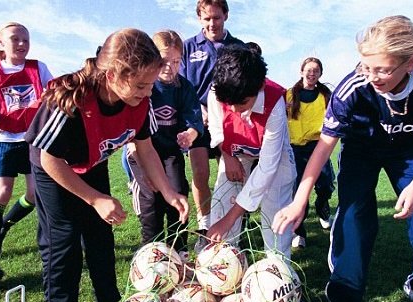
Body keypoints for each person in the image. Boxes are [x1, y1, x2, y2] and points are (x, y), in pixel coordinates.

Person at [273, 15, 413, 302]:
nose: (371, 76)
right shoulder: (354, 86)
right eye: (366, 66)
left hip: (408, 153)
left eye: (382, 69)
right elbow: (323, 147)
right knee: (353, 219)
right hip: (361, 150)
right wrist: (299, 199)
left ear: (410, 63)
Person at [24, 29, 189, 302]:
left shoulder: (140, 100)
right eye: (141, 85)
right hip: (54, 167)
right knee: (65, 240)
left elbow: (146, 150)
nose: (148, 91)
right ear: (112, 75)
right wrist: (95, 198)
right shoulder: (72, 100)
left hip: (90, 161)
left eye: (151, 84)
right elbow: (48, 157)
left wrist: (169, 192)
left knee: (100, 235)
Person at [0, 22, 54, 285]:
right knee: (1, 192)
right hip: (4, 139)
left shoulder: (38, 68)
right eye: (15, 39)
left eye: (25, 39)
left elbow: (53, 93)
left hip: (33, 138)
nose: (21, 44)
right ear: (0, 42)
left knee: (34, 193)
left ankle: (3, 226)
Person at [206, 44, 296, 260]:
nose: (235, 110)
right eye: (230, 104)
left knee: (275, 217)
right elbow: (217, 128)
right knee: (221, 205)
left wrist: (231, 217)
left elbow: (267, 167)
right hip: (234, 151)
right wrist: (228, 157)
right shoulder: (218, 91)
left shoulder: (274, 102)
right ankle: (223, 273)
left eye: (243, 103)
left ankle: (278, 273)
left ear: (259, 88)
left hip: (272, 155)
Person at [125, 30, 203, 256]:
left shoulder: (184, 87)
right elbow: (131, 131)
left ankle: (179, 248)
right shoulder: (144, 85)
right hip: (141, 152)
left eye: (176, 61)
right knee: (151, 199)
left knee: (178, 192)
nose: (170, 67)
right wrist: (139, 158)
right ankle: (151, 251)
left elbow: (194, 120)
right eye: (164, 61)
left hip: (170, 151)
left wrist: (189, 134)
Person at [179, 0, 244, 240]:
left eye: (216, 17)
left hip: (228, 121)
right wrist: (199, 109)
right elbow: (183, 86)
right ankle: (205, 223)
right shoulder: (187, 47)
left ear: (226, 15)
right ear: (199, 19)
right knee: (200, 174)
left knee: (230, 173)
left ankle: (232, 222)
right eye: (206, 18)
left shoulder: (238, 47)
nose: (212, 23)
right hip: (198, 121)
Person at [285, 57, 335, 248]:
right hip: (296, 148)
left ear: (320, 74)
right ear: (301, 71)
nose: (312, 73)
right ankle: (299, 231)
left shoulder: (326, 95)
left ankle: (322, 206)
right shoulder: (289, 95)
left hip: (318, 146)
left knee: (325, 184)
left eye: (316, 70)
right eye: (308, 70)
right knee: (298, 190)